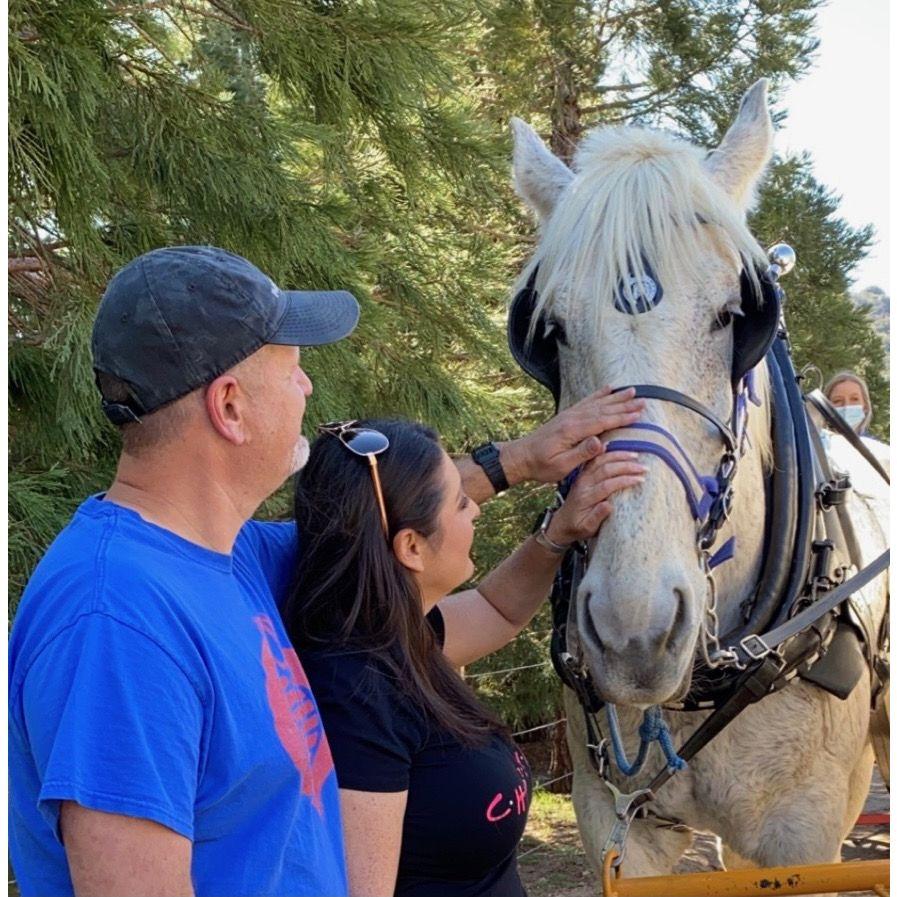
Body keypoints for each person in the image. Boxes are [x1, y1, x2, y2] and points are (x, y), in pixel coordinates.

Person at [8, 245, 645, 897]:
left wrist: (519, 461)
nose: (307, 385)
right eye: (292, 367)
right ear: (229, 406)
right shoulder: (116, 620)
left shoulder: (230, 556)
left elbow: (382, 522)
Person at [284, 418, 646, 897]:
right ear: (411, 547)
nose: (474, 508)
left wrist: (558, 532)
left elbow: (496, 611)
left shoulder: (395, 635)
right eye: (459, 501)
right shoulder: (358, 694)